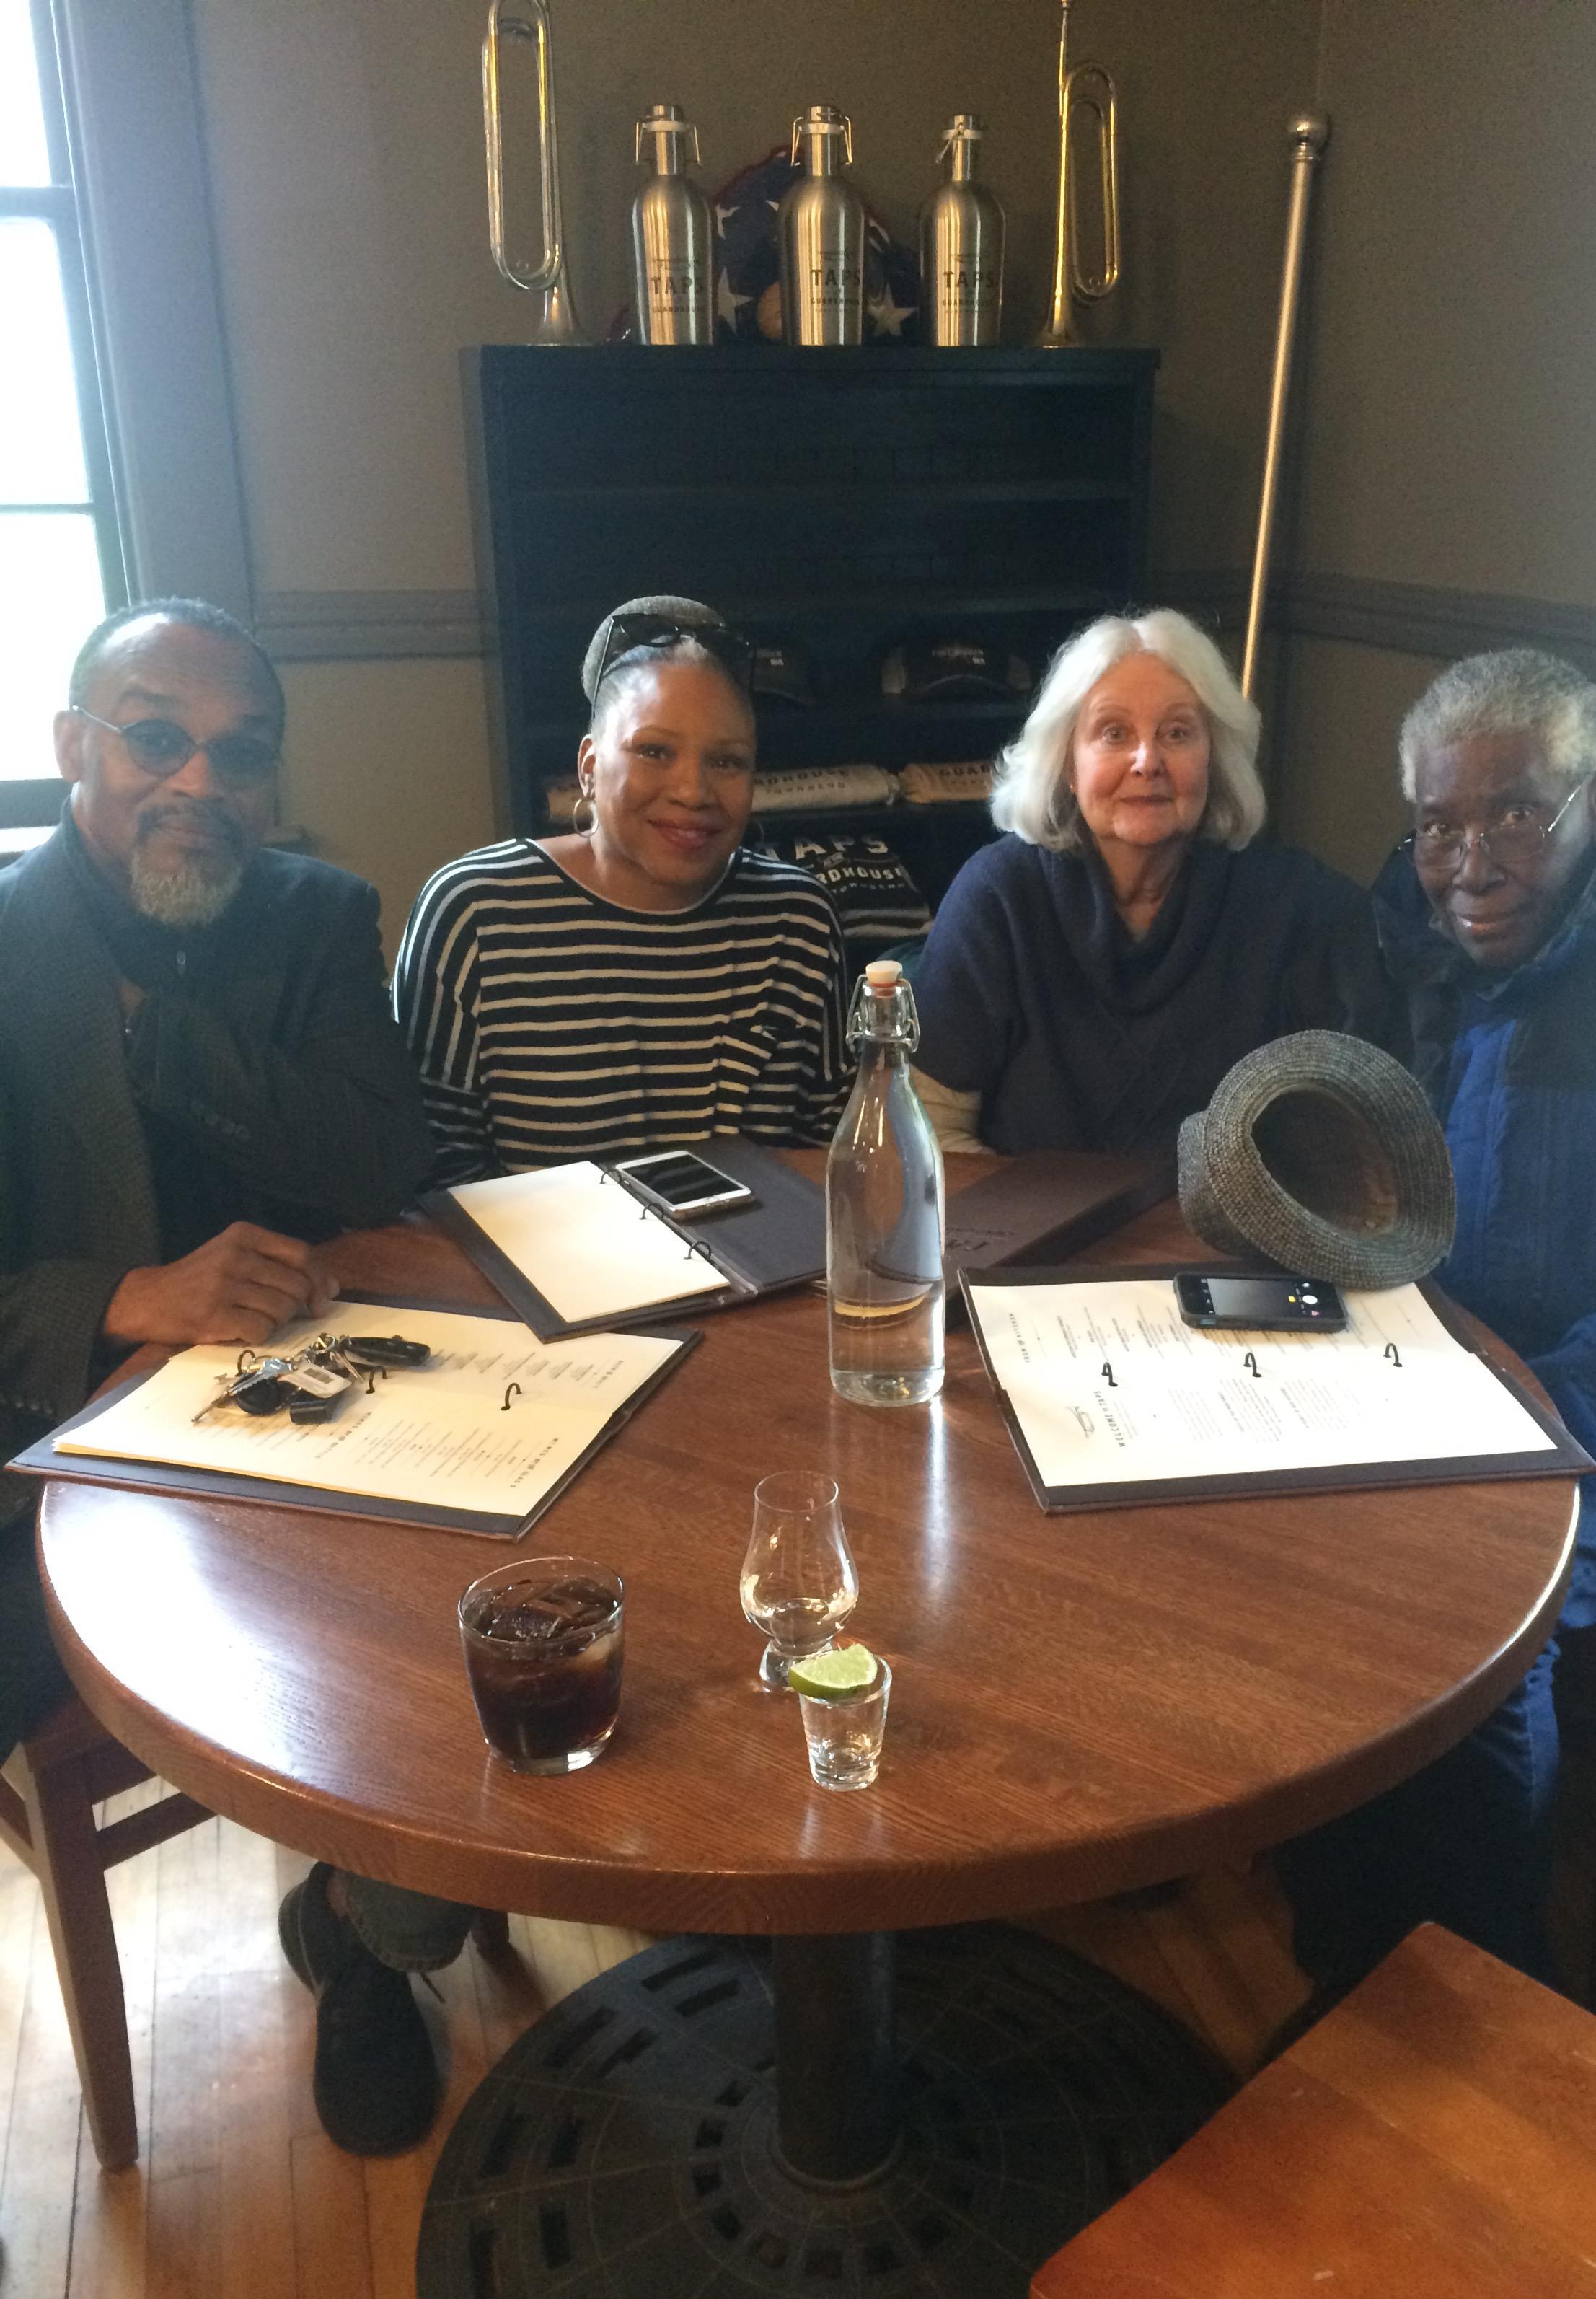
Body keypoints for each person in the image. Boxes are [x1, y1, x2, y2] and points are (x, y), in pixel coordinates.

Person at [0, 599, 464, 2160]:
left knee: (473, 1585)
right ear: (75, 746)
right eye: (155, 736)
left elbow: (382, 1157)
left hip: (322, 1392)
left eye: (240, 754)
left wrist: (159, 1031)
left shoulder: (317, 917)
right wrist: (124, 1295)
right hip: (64, 1446)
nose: (199, 780)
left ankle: (370, 1940)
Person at [1279, 646, 1596, 1987]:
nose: (1466, 859)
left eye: (1512, 812)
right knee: (1278, 1550)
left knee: (1463, 1613)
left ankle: (1487, 1994)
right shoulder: (1414, 942)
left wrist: (1525, 1412)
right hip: (1450, 1389)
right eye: (1437, 821)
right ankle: (1348, 1962)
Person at [907, 608, 1401, 1155]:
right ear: (1069, 765)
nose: (1148, 761)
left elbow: (1355, 1150)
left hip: (1230, 1240)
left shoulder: (1300, 910)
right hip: (1025, 1237)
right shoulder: (998, 898)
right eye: (1113, 733)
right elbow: (927, 1135)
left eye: (1177, 733)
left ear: (1214, 758)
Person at [395, 594, 850, 1181]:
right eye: (654, 751)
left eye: (728, 761)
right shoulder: (475, 913)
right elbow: (435, 1174)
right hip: (539, 1268)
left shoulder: (799, 920)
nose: (693, 791)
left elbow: (832, 1152)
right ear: (589, 766)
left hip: (764, 1265)